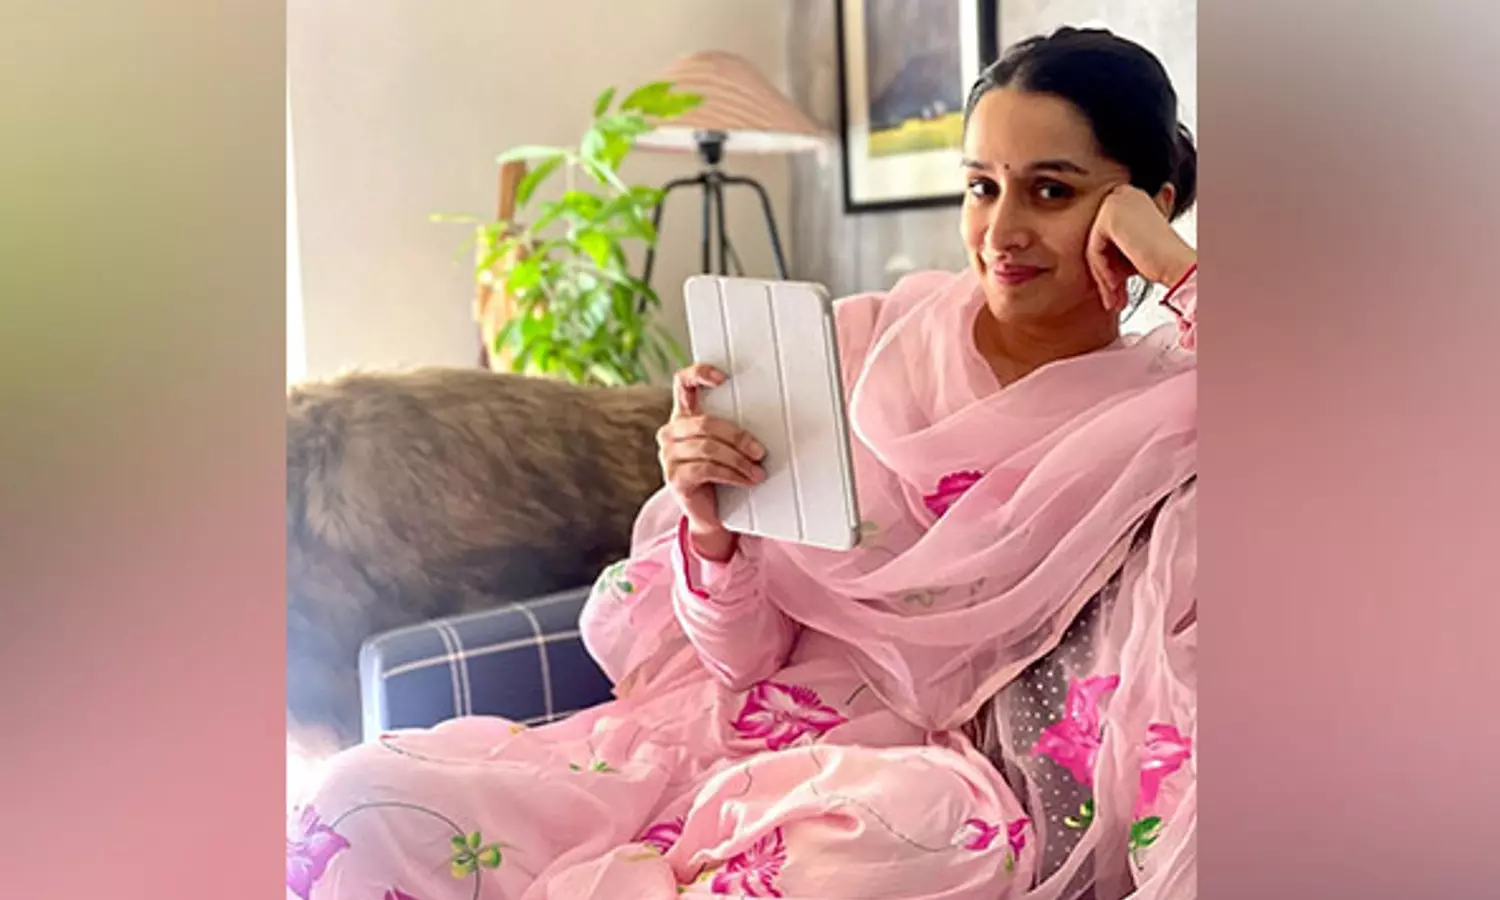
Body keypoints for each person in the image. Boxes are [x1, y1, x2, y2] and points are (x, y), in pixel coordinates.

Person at [287, 26, 1199, 900]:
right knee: (359, 806)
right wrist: (710, 527)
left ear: (1144, 207)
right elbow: (741, 660)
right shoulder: (855, 348)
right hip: (715, 746)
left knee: (922, 842)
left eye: (1051, 192)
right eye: (980, 187)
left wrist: (1177, 266)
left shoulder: (1165, 410)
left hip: (901, 794)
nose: (1001, 230)